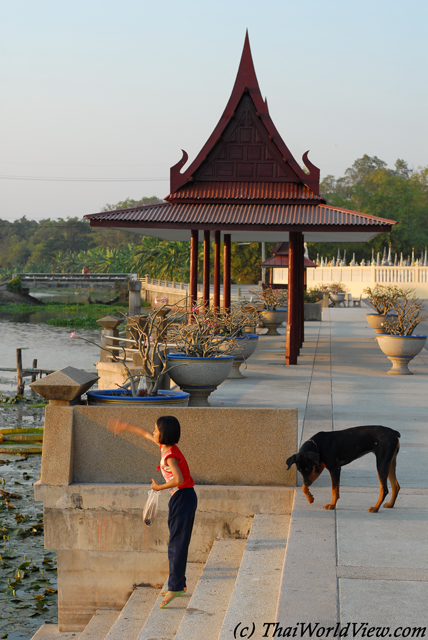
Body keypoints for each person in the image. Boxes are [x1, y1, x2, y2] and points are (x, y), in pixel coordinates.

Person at [108, 415, 197, 609]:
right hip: (181, 498)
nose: (153, 432)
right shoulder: (165, 447)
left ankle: (175, 587)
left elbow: (179, 480)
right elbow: (145, 434)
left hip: (183, 498)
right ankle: (178, 583)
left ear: (164, 434)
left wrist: (159, 488)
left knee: (177, 544)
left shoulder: (170, 456)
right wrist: (125, 426)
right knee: (176, 541)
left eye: (156, 430)